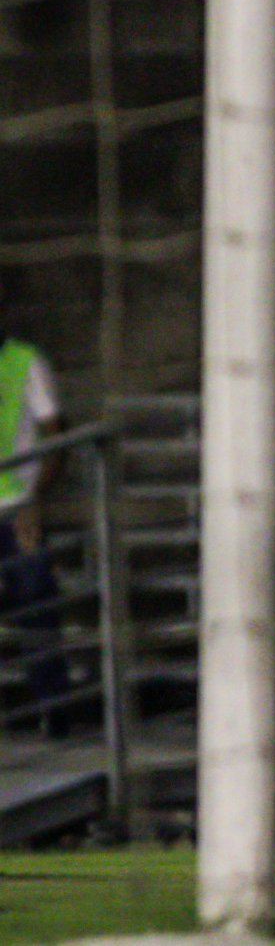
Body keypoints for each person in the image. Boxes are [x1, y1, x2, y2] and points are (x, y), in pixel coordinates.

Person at [0, 276, 71, 737]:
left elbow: (56, 439)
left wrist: (35, 503)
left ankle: (55, 712)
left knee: (37, 611)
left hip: (16, 510)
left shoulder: (26, 361)